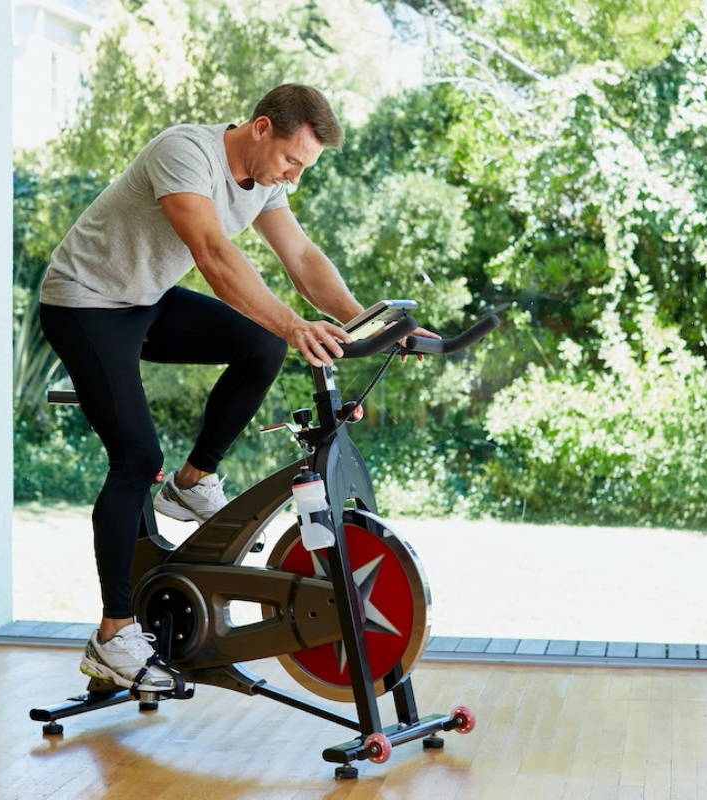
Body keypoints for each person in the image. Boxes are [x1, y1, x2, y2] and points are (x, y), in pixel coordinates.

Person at [38, 83, 435, 692]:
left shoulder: (266, 183)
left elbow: (302, 258)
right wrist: (297, 324)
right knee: (136, 457)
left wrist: (366, 325)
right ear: (260, 129)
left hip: (143, 301)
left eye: (303, 169)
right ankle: (113, 637)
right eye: (290, 161)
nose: (292, 178)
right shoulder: (186, 153)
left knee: (260, 344)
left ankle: (192, 484)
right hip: (85, 305)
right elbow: (214, 256)